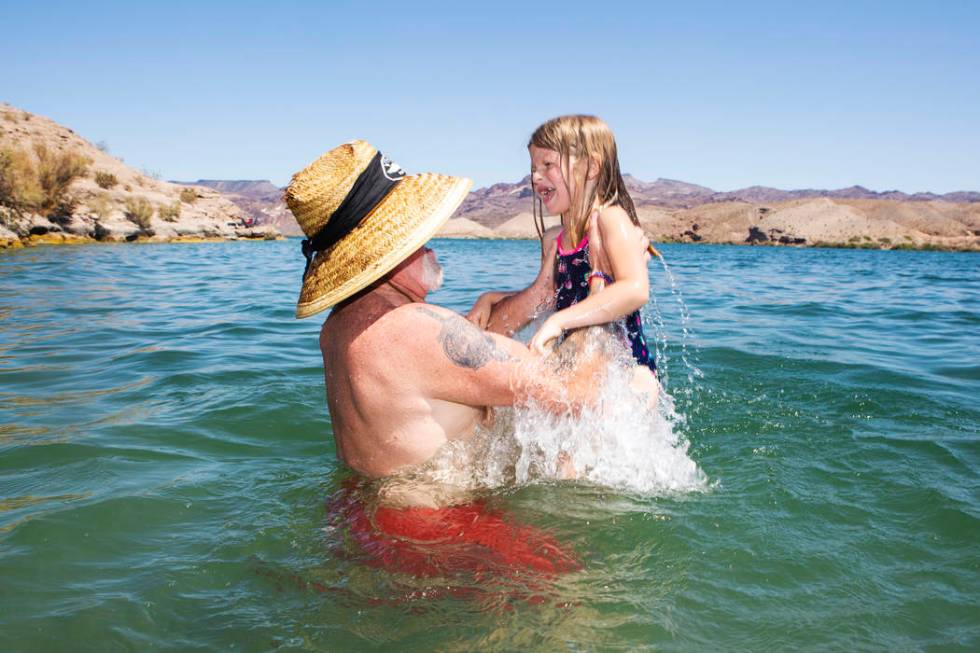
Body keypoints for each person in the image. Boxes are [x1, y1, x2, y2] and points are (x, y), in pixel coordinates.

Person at [285, 141, 599, 577]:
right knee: (575, 591)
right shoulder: (417, 329)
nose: (431, 245)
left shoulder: (340, 328)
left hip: (361, 517)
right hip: (437, 534)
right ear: (386, 252)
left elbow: (470, 354)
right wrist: (601, 306)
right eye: (417, 235)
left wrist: (547, 285)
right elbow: (571, 395)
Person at [467, 115, 659, 401]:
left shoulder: (611, 219)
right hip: (577, 364)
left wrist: (559, 322)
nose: (535, 177)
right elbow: (549, 296)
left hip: (627, 374)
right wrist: (491, 298)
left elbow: (635, 289)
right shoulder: (553, 240)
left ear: (591, 167)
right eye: (533, 167)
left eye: (547, 165)